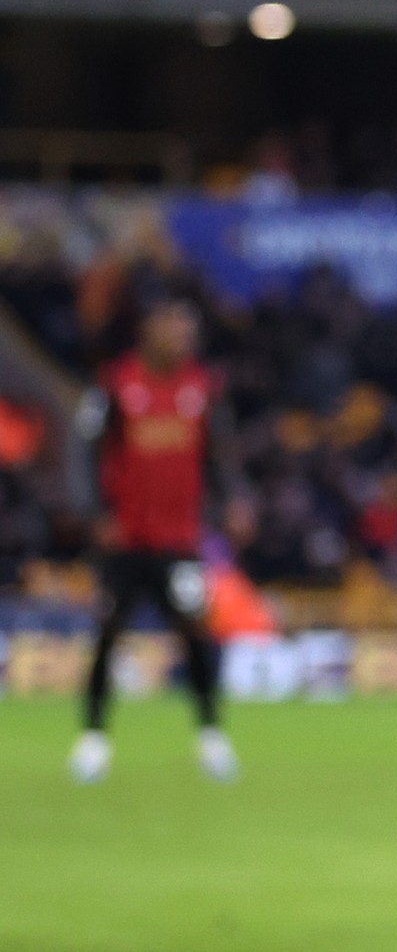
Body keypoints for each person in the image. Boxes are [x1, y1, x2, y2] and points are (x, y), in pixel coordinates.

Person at [69, 295, 238, 786]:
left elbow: (218, 454)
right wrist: (94, 512)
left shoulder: (201, 387)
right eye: (176, 330)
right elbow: (83, 450)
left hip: (180, 541)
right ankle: (93, 740)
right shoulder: (116, 384)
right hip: (125, 541)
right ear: (150, 332)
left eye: (189, 332)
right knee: (108, 634)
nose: (185, 340)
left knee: (195, 633)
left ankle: (211, 736)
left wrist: (233, 500)